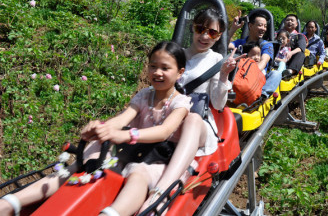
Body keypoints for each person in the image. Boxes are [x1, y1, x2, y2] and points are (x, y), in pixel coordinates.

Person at [0, 41, 192, 216]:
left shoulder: (180, 103)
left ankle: (112, 214)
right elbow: (124, 118)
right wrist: (102, 127)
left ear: (180, 72)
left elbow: (164, 131)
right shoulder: (144, 95)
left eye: (165, 68)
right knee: (83, 165)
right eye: (153, 66)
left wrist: (124, 134)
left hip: (158, 158)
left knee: (138, 175)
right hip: (132, 150)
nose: (157, 72)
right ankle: (12, 202)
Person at [138, 8, 241, 212]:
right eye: (200, 29)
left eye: (212, 33)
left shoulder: (216, 60)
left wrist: (223, 76)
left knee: (192, 119)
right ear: (192, 28)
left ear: (219, 36)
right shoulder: (177, 55)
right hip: (168, 117)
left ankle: (162, 190)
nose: (204, 36)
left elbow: (219, 105)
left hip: (197, 121)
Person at [228, 13, 281, 99]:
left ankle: (261, 97)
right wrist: (233, 29)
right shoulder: (241, 42)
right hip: (239, 75)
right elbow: (225, 46)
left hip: (257, 76)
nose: (263, 29)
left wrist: (250, 75)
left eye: (265, 26)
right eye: (260, 25)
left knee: (276, 74)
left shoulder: (267, 45)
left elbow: (263, 61)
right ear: (250, 26)